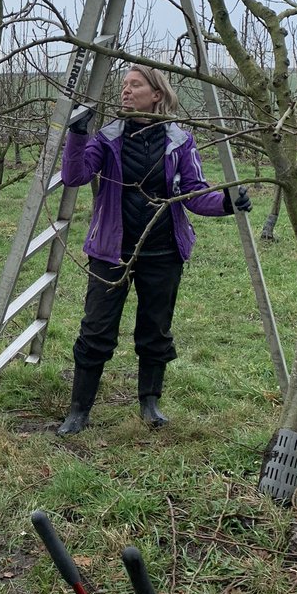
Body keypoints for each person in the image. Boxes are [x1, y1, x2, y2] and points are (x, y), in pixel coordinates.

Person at [59, 65, 251, 435]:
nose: (125, 92)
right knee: (96, 329)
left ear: (157, 95)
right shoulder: (107, 138)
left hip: (163, 251)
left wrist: (227, 202)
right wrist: (78, 134)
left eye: (135, 85)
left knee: (155, 329)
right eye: (123, 87)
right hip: (110, 251)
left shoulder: (181, 141)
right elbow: (75, 176)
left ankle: (150, 403)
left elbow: (195, 194)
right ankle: (79, 411)